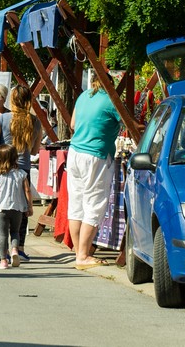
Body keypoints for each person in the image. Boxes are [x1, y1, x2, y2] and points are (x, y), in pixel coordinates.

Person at [67, 75, 122, 269]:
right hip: (95, 155)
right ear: (110, 84)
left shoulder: (83, 96)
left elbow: (72, 125)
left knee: (76, 204)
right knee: (94, 204)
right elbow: (127, 122)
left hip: (74, 152)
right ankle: (82, 255)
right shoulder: (111, 101)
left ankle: (78, 251)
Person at [0, 85, 42, 261]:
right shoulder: (35, 121)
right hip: (23, 169)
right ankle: (19, 247)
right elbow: (34, 150)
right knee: (22, 209)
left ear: (12, 100)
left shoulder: (3, 119)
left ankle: (2, 249)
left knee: (2, 206)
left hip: (2, 168)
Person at [0, 144, 32, 269]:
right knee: (15, 232)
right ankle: (15, 251)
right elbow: (27, 191)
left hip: (2, 208)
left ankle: (3, 261)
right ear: (15, 158)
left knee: (3, 234)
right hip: (18, 208)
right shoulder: (22, 174)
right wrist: (29, 206)